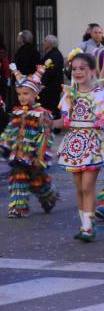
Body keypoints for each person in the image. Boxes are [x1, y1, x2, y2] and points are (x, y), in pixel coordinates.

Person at [54, 53, 104, 242]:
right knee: (79, 188)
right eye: (74, 69)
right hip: (74, 143)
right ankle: (85, 225)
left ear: (91, 71)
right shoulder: (69, 94)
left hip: (93, 142)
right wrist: (47, 122)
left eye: (82, 68)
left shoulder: (101, 94)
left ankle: (88, 228)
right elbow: (63, 122)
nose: (77, 72)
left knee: (87, 186)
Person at [0, 63, 58, 218]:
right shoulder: (17, 112)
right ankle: (19, 208)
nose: (22, 97)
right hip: (18, 153)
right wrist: (4, 144)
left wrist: (41, 156)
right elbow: (11, 131)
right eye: (19, 94)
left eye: (25, 93)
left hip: (33, 155)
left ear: (35, 94)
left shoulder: (42, 114)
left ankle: (49, 197)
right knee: (17, 177)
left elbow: (45, 137)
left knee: (37, 181)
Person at [10, 30, 41, 111]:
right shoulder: (35, 51)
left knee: (21, 106)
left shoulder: (21, 52)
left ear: (23, 39)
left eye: (19, 37)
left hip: (21, 83)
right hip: (32, 83)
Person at [39, 35, 64, 120]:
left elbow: (50, 71)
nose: (43, 43)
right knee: (49, 106)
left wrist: (42, 82)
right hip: (49, 86)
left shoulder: (55, 55)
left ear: (50, 43)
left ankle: (55, 126)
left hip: (52, 87)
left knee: (52, 107)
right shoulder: (51, 54)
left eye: (45, 41)